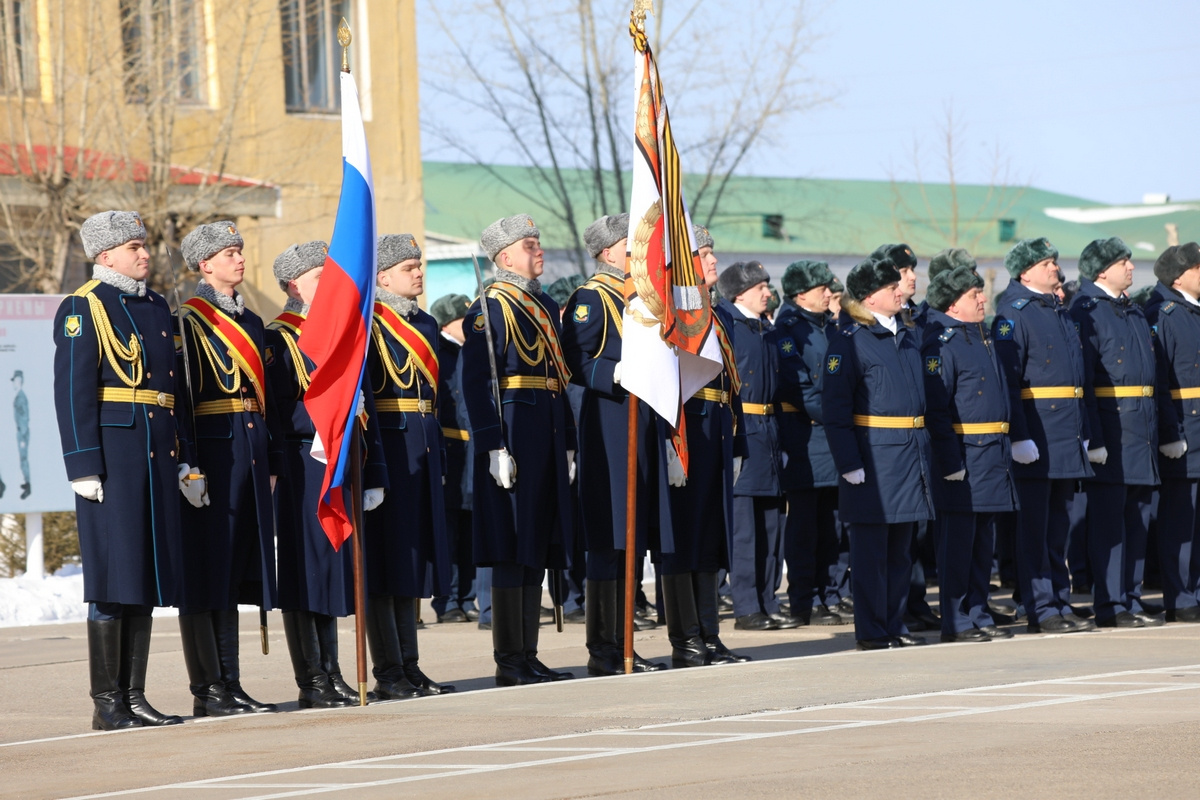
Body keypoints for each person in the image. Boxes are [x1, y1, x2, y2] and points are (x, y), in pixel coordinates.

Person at [52, 210, 184, 730]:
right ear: (105, 256)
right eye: (133, 246)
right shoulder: (83, 307)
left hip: (155, 453)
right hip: (113, 457)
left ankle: (136, 695)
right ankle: (108, 703)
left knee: (144, 577)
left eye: (144, 244)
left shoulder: (154, 305)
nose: (144, 252)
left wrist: (183, 454)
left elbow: (173, 389)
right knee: (112, 580)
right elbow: (72, 392)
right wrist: (83, 464)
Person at [461, 214, 577, 686]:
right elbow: (475, 383)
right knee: (512, 547)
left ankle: (529, 653)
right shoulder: (490, 308)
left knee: (537, 546)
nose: (539, 251)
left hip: (545, 434)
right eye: (529, 246)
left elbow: (558, 381)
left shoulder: (544, 305)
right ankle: (509, 659)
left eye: (538, 243)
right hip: (512, 435)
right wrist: (493, 445)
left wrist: (567, 442)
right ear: (505, 256)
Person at [562, 214, 676, 673]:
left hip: (644, 422)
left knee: (634, 539)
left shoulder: (642, 297)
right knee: (610, 539)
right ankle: (604, 649)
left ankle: (625, 641)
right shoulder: (591, 298)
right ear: (609, 251)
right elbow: (575, 358)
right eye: (630, 243)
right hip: (609, 423)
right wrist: (611, 374)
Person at [176, 220, 281, 716]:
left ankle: (232, 683)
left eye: (239, 251)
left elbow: (271, 404)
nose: (239, 259)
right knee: (209, 570)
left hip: (253, 449)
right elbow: (184, 401)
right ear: (205, 264)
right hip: (215, 454)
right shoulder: (189, 321)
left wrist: (274, 458)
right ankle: (208, 689)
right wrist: (189, 464)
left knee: (238, 568)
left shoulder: (254, 323)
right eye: (229, 253)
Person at [265, 241, 373, 709]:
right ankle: (311, 678)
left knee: (330, 569)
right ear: (294, 287)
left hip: (334, 460)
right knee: (304, 570)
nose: (328, 287)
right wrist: (323, 415)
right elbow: (274, 410)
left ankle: (332, 672)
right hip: (298, 464)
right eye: (317, 279)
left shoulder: (338, 334)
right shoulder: (278, 337)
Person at [823, 257, 934, 650]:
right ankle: (872, 630)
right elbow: (835, 410)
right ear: (870, 297)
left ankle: (894, 623)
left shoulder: (907, 335)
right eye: (892, 288)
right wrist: (849, 462)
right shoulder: (850, 340)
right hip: (873, 458)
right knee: (872, 554)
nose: (901, 291)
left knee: (901, 551)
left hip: (908, 455)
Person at [363, 234, 455, 697]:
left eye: (419, 265)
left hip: (422, 444)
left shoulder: (425, 322)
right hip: (390, 449)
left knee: (414, 561)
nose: (418, 272)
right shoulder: (369, 322)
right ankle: (388, 671)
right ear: (382, 277)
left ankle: (411, 664)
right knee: (387, 565)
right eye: (408, 267)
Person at [992, 237, 1095, 634]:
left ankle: (1060, 600)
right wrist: (1019, 435)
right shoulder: (1014, 313)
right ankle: (1040, 607)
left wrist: (1083, 431)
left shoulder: (1056, 309)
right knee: (1034, 530)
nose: (1055, 268)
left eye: (1054, 262)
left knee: (1057, 527)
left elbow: (1075, 380)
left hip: (1064, 434)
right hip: (1036, 433)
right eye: (1047, 262)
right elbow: (1008, 381)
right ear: (1026, 271)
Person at [660, 226, 750, 663]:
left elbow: (733, 385)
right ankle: (686, 637)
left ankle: (710, 633)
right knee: (685, 537)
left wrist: (739, 445)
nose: (713, 261)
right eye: (703, 255)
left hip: (717, 429)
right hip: (686, 430)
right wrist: (666, 443)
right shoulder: (672, 315)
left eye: (713, 253)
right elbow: (661, 382)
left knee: (712, 537)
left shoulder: (722, 314)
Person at [1069, 238, 1164, 628]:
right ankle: (1110, 603)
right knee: (1110, 523)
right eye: (1123, 261)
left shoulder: (1132, 311)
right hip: (1111, 426)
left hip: (1140, 427)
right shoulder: (1087, 311)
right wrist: (1094, 438)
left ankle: (1131, 596)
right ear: (1101, 269)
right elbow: (1085, 381)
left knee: (1137, 518)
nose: (1131, 267)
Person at [921, 266, 1018, 642]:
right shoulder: (941, 342)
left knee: (982, 545)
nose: (982, 299)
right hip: (963, 455)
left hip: (991, 455)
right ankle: (956, 618)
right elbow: (937, 407)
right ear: (952, 302)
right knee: (957, 545)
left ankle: (977, 610)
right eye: (974, 294)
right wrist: (949, 461)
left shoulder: (981, 336)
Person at [718, 261, 800, 632]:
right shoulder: (728, 326)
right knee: (744, 529)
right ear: (740, 294)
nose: (768, 292)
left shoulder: (766, 329)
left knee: (772, 524)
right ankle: (746, 606)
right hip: (742, 428)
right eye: (761, 287)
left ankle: (768, 600)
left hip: (768, 430)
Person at [775, 260, 845, 626]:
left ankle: (828, 594)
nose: (828, 295)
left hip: (832, 439)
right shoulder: (790, 331)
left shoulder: (829, 328)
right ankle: (804, 599)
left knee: (831, 527)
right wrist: (839, 415)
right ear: (801, 294)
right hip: (808, 436)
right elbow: (798, 387)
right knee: (805, 528)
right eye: (821, 290)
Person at [1145, 242, 1200, 622]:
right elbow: (1159, 381)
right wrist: (1169, 432)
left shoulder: (1192, 311)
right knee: (1181, 519)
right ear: (1180, 276)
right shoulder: (1164, 313)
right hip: (1185, 428)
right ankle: (1180, 597)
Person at [429, 293, 479, 625]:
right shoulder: (438, 353)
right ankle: (446, 600)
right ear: (449, 323)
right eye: (465, 320)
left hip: (471, 448)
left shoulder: (470, 352)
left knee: (469, 526)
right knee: (447, 530)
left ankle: (467, 595)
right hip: (448, 446)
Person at [12, 370, 30, 498]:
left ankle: (28, 484)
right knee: (22, 459)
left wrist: (23, 436)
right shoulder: (18, 395)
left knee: (23, 459)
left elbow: (24, 417)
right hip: (20, 431)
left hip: (22, 432)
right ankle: (26, 482)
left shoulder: (21, 397)